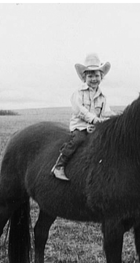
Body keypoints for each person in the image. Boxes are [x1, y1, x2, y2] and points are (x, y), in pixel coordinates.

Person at [51, 53, 115, 181]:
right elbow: (80, 110)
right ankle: (59, 165)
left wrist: (117, 117)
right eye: (90, 76)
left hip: (95, 126)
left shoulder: (103, 97)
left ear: (101, 77)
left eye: (96, 75)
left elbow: (106, 112)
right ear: (84, 77)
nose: (94, 79)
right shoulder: (78, 93)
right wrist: (94, 121)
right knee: (78, 140)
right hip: (80, 126)